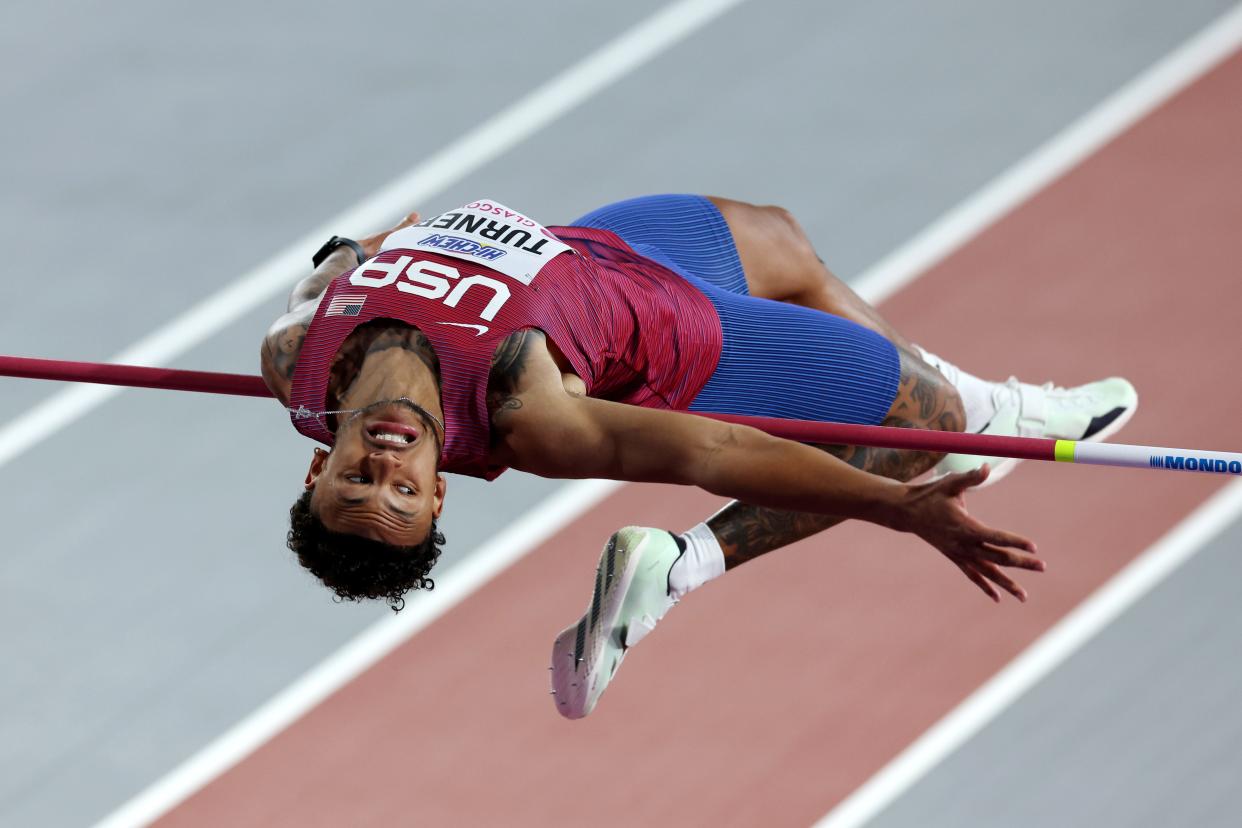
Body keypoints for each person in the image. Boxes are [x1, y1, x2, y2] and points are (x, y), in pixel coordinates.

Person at [259, 194, 1136, 719]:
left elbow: (315, 288)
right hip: (672, 331)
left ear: (317, 468)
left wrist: (355, 256)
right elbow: (718, 449)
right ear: (438, 495)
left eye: (359, 480)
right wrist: (895, 512)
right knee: (913, 432)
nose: (386, 461)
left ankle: (992, 413)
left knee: (782, 240)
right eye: (402, 490)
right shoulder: (525, 411)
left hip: (591, 250)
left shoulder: (294, 357)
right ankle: (677, 568)